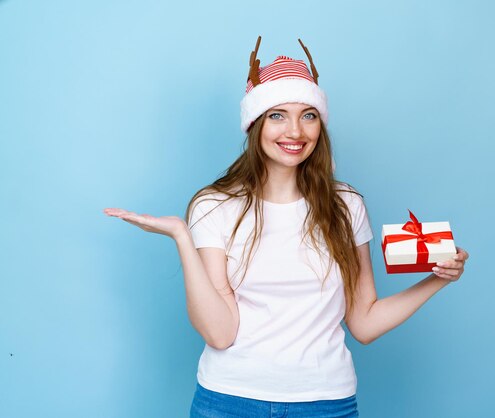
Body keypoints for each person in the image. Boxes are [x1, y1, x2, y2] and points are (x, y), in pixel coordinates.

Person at [103, 36, 469, 418]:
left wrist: (439, 278)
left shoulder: (347, 206)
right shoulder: (215, 206)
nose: (295, 131)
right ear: (255, 125)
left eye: (308, 115)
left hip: (326, 403)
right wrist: (181, 235)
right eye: (277, 115)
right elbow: (220, 332)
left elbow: (363, 321)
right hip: (229, 401)